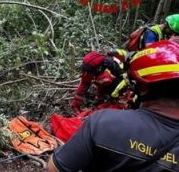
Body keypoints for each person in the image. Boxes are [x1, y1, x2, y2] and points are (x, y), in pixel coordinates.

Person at [48, 40, 179, 171]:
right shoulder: (97, 69)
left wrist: (115, 98)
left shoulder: (103, 123)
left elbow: (55, 168)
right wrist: (78, 103)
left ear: (142, 87)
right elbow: (84, 85)